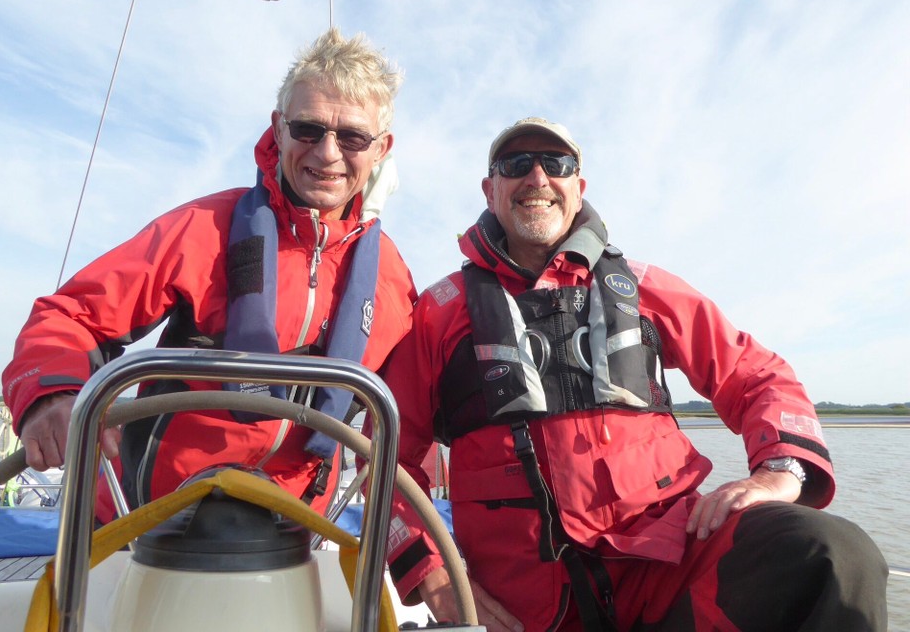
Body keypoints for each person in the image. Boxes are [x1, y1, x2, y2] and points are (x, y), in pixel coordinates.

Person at [379, 117, 888, 631]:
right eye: (515, 165)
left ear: (578, 188)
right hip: (522, 610)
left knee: (835, 556)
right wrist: (434, 577)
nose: (537, 177)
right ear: (490, 191)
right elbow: (385, 454)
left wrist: (780, 471)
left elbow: (756, 374)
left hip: (668, 573)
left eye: (556, 164)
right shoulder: (438, 314)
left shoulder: (645, 287)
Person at [2, 28, 417, 522]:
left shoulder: (391, 278)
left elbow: (415, 410)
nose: (327, 153)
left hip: (291, 534)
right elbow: (69, 317)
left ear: (380, 149)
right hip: (145, 526)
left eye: (352, 137)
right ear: (279, 128)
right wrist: (53, 394)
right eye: (308, 129)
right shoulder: (204, 230)